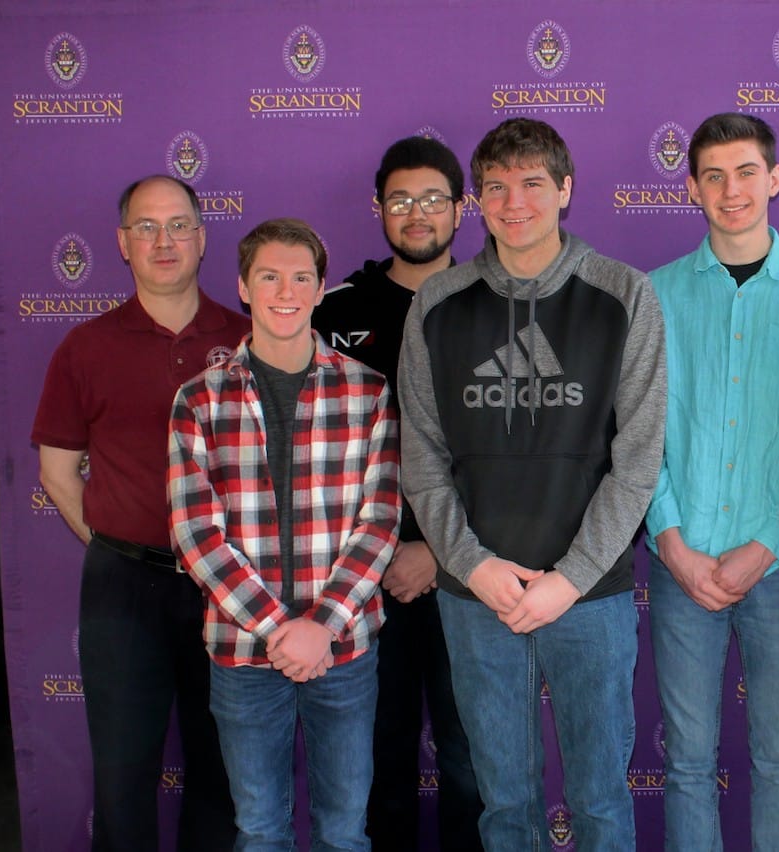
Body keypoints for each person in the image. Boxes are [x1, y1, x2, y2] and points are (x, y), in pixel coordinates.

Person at [397, 117, 665, 851]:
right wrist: (474, 567)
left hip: (590, 598)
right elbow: (420, 454)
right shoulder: (438, 303)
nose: (515, 202)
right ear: (476, 201)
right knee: (503, 805)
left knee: (602, 802)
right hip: (476, 598)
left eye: (533, 184)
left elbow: (639, 458)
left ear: (565, 190)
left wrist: (569, 579)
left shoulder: (623, 296)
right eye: (496, 187)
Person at [644, 112, 779, 850]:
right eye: (713, 175)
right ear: (693, 187)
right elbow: (639, 435)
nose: (731, 191)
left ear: (775, 179)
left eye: (745, 172)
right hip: (681, 567)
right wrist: (670, 543)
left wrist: (765, 543)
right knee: (688, 766)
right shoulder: (655, 295)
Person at [168, 218, 400, 849]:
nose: (285, 290)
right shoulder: (199, 400)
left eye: (301, 277)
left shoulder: (368, 391)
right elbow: (195, 533)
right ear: (243, 286)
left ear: (322, 288)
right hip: (244, 653)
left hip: (344, 649)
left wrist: (320, 625)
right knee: (261, 830)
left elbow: (379, 522)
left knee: (345, 831)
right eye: (269, 275)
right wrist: (279, 629)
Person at [31, 174, 242, 851]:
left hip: (230, 589)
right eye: (146, 227)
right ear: (123, 243)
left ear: (202, 238)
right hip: (123, 589)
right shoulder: (85, 347)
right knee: (123, 780)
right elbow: (58, 475)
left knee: (223, 774)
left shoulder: (247, 339)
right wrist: (127, 542)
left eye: (178, 224)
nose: (164, 240)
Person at [312, 136, 483, 851]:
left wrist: (438, 556)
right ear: (377, 207)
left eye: (434, 199)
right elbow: (312, 457)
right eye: (402, 200)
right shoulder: (333, 313)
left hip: (472, 575)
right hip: (360, 581)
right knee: (373, 765)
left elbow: (515, 452)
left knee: (472, 762)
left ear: (460, 207)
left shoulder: (495, 302)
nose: (418, 214)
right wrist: (383, 555)